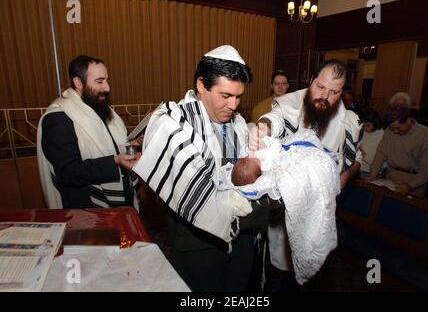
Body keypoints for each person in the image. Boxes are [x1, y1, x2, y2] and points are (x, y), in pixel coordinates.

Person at [133, 45, 278, 292]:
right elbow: (197, 194)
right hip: (198, 247)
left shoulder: (239, 122)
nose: (234, 105)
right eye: (225, 95)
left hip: (242, 244)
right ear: (202, 85)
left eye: (238, 96)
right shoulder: (174, 123)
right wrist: (267, 210)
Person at [249, 59, 363, 290]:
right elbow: (276, 121)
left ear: (342, 92)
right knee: (278, 274)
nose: (325, 96)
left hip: (320, 210)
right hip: (283, 212)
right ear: (311, 81)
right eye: (320, 87)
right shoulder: (289, 104)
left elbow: (357, 158)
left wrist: (347, 175)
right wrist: (263, 128)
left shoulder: (348, 121)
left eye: (334, 92)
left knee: (311, 273)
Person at [220, 128, 340, 286]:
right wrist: (269, 147)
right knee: (277, 273)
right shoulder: (266, 165)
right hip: (289, 159)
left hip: (288, 150)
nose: (249, 156)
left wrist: (259, 144)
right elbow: (274, 153)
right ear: (259, 174)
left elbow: (253, 150)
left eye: (245, 158)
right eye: (249, 160)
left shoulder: (251, 157)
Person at [37, 55, 139, 209]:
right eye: (99, 81)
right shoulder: (59, 117)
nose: (107, 88)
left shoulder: (99, 107)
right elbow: (67, 172)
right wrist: (115, 161)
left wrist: (130, 145)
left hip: (121, 203)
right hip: (86, 207)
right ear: (78, 82)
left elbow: (111, 144)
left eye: (107, 80)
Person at [368, 104, 428, 197]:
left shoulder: (427, 136)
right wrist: (373, 174)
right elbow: (380, 154)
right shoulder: (389, 131)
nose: (395, 131)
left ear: (409, 120)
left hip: (414, 182)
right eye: (393, 128)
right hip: (390, 178)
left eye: (398, 128)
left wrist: (410, 185)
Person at [359, 108, 384, 174]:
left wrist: (363, 154)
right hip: (358, 169)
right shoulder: (362, 132)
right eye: (363, 125)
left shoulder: (383, 136)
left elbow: (383, 164)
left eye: (367, 125)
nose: (364, 128)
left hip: (371, 173)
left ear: (375, 122)